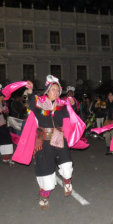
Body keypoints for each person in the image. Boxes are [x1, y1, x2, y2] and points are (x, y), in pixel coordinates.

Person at [10, 75, 87, 210]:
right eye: (53, 90)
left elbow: (72, 112)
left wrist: (73, 103)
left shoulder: (62, 106)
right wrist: (29, 90)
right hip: (43, 141)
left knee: (67, 165)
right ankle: (44, 196)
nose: (56, 92)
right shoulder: (38, 103)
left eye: (58, 90)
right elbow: (30, 102)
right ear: (47, 91)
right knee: (45, 171)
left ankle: (67, 181)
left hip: (59, 138)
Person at [0, 84, 14, 165]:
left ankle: (6, 157)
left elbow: (6, 111)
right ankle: (6, 157)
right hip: (1, 124)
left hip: (2, 123)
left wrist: (5, 108)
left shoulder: (2, 103)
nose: (3, 97)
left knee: (5, 140)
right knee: (6, 139)